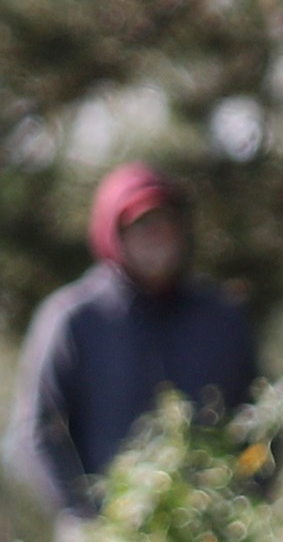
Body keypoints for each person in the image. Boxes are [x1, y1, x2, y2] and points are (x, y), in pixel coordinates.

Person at [4, 163, 258, 533]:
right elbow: (36, 430)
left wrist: (251, 503)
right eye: (142, 225)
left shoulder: (220, 316)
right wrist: (86, 517)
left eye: (165, 223)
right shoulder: (73, 320)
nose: (157, 237)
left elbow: (260, 415)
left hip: (212, 527)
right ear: (114, 233)